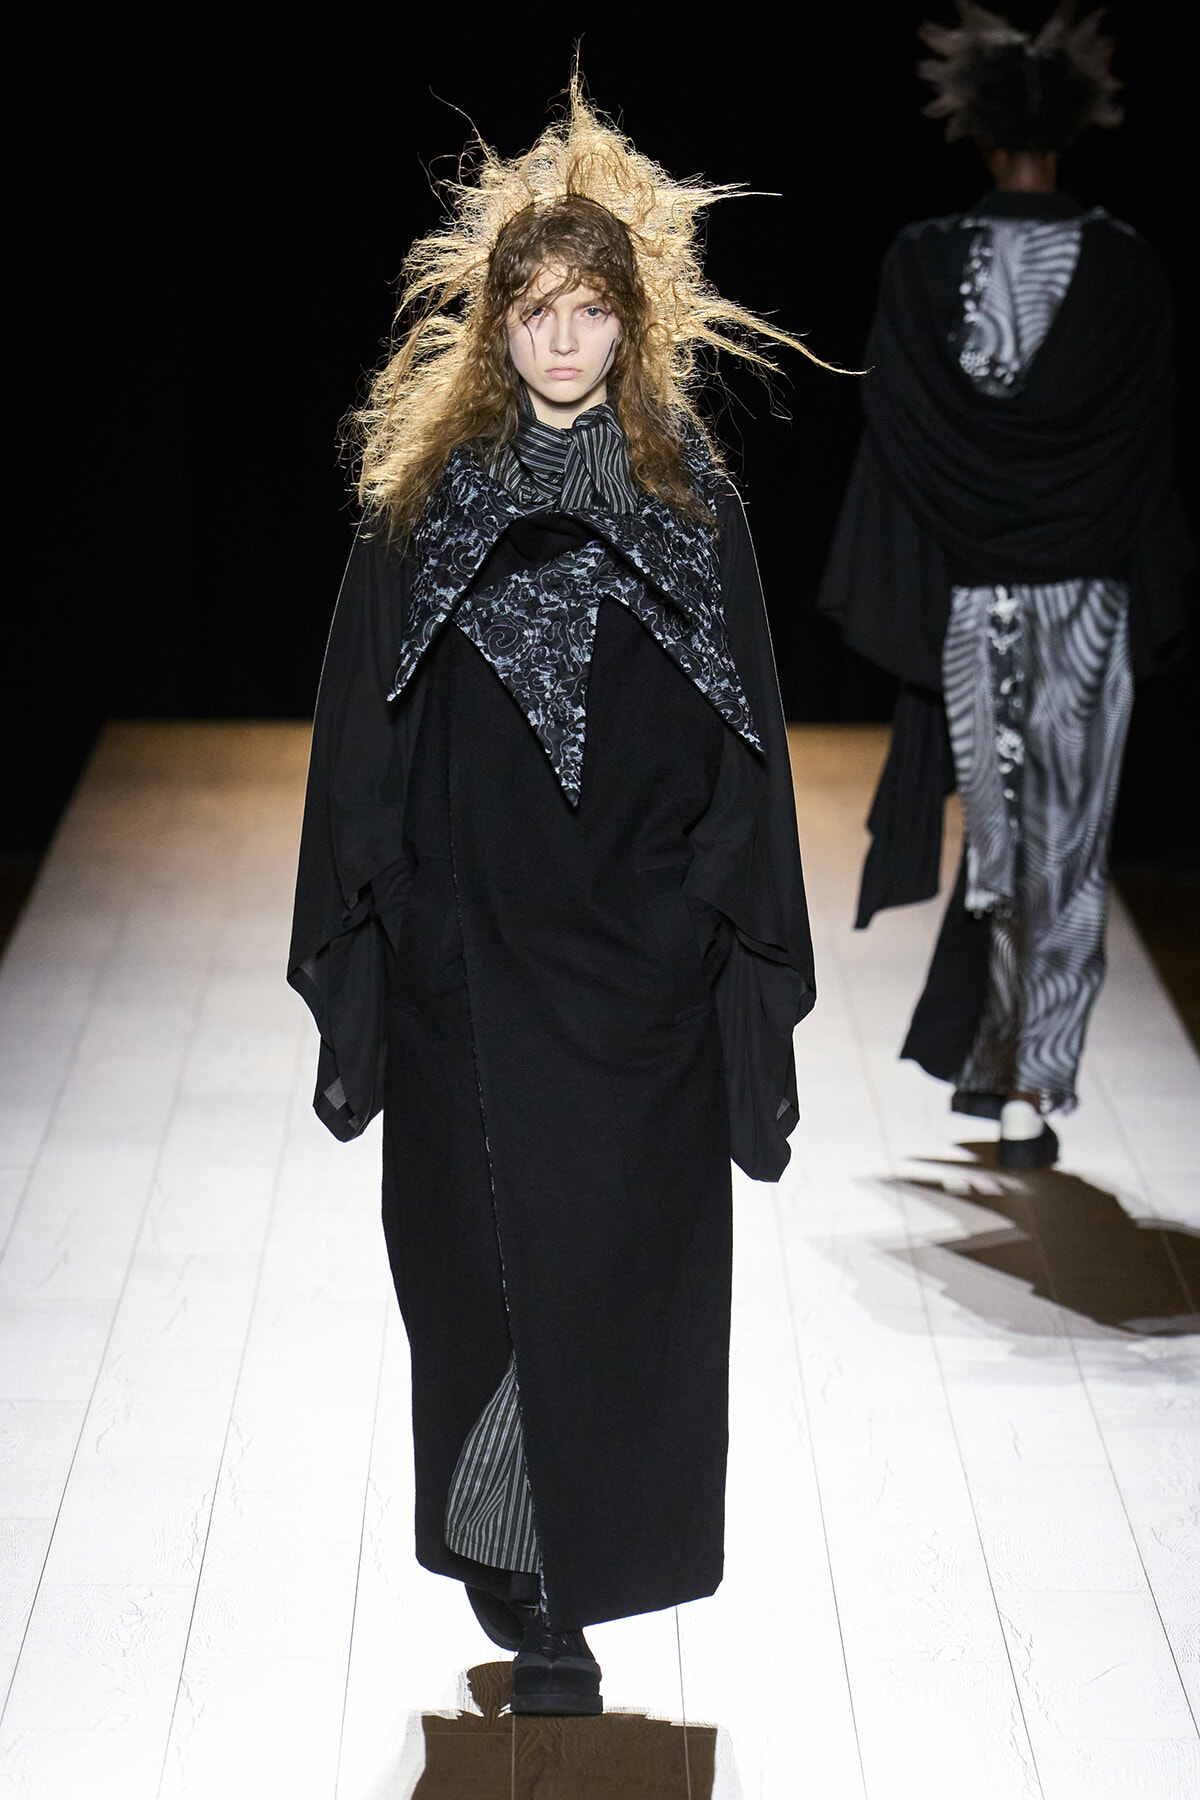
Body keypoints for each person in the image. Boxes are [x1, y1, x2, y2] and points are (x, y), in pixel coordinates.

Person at [287, 83, 818, 1715]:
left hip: (635, 985)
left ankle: (568, 1586)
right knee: (484, 1280)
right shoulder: (421, 512)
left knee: (609, 1280)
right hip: (469, 971)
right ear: (497, 327)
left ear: (632, 325)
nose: (566, 340)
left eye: (592, 310)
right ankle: (533, 1598)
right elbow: (359, 751)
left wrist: (700, 934)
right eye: (538, 311)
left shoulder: (692, 512)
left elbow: (748, 759)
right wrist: (402, 925)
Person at [818, 1, 1191, 1169]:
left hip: (977, 601)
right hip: (1089, 601)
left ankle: (1008, 1069)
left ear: (978, 135)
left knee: (1003, 839)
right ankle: (1029, 1085)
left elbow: (902, 429)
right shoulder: (1127, 266)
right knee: (1068, 845)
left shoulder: (924, 262)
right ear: (1072, 133)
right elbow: (1146, 446)